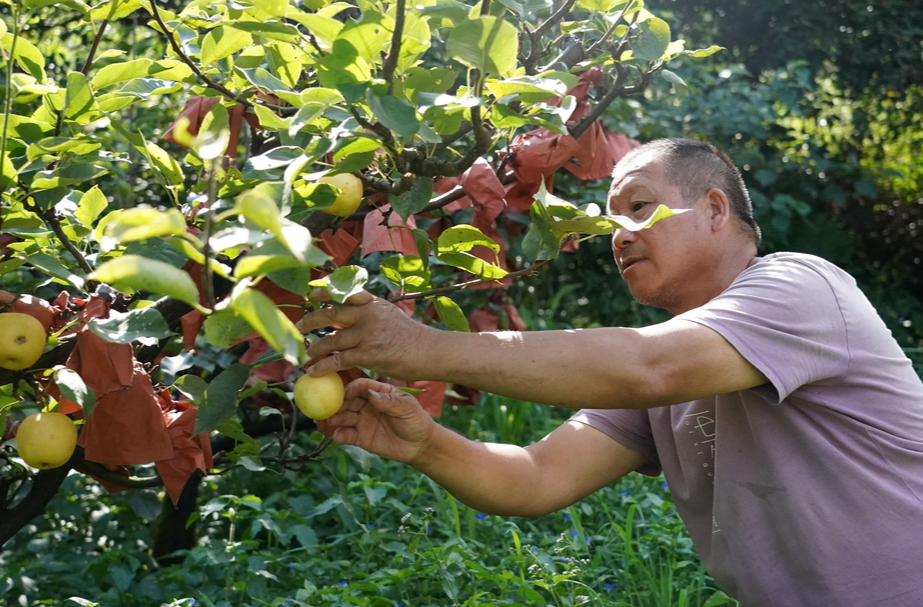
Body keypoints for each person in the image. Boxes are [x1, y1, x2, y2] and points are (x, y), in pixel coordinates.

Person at [297, 138, 923, 607]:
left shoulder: (799, 287)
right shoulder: (664, 369)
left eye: (639, 207)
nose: (616, 235)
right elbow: (536, 479)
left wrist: (423, 347)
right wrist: (425, 443)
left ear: (713, 208)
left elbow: (651, 366)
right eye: (609, 220)